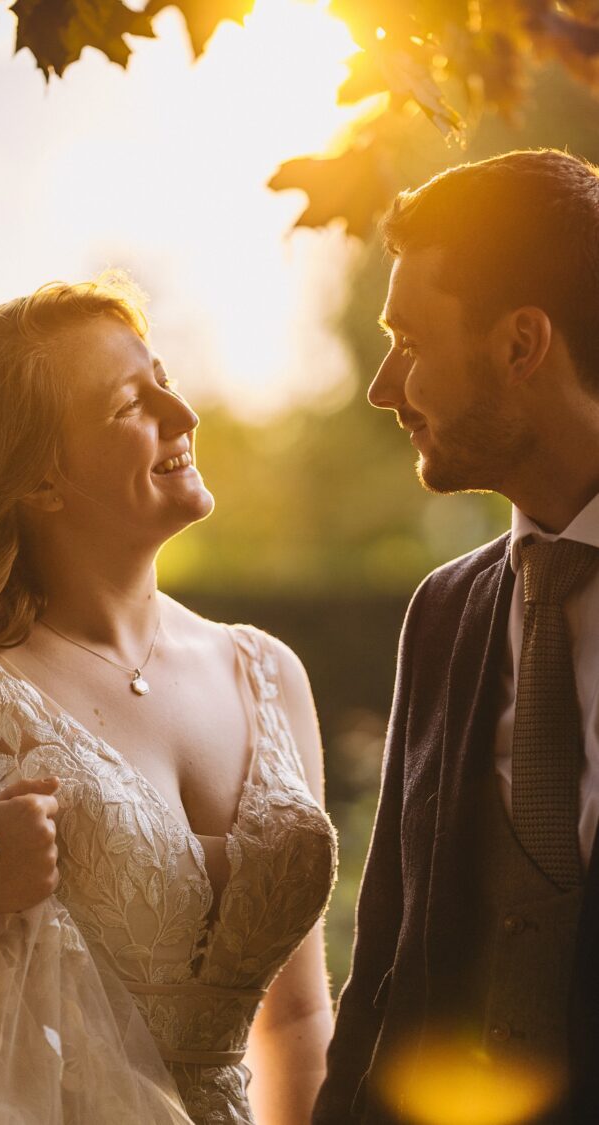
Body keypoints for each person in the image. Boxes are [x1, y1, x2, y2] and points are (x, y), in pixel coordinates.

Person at [0, 274, 337, 1124]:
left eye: (164, 377)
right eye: (128, 404)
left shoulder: (268, 673)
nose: (182, 414)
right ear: (40, 480)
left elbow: (296, 1015)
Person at [313, 149, 599, 1125]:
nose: (385, 387)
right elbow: (387, 962)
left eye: (410, 339)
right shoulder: (446, 610)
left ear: (522, 344)